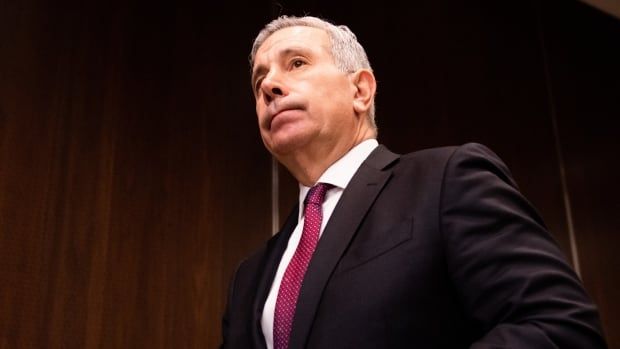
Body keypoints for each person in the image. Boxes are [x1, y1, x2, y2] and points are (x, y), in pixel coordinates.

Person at [220, 15, 607, 348]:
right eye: (259, 81)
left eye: (297, 63)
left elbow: (559, 328)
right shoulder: (248, 279)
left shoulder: (446, 180)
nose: (270, 86)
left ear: (360, 90)